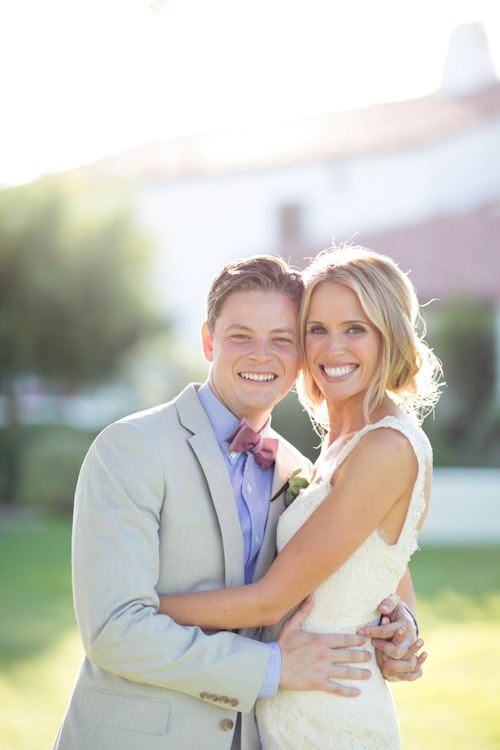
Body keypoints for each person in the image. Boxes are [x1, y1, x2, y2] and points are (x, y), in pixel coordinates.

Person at [53, 255, 423, 750]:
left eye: (282, 339)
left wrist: (400, 626)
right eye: (241, 336)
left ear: (298, 356)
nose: (261, 355)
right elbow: (113, 632)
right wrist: (272, 668)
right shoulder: (132, 449)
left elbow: (375, 561)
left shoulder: (297, 470)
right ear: (209, 340)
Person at [155, 247, 441, 749]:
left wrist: (140, 608)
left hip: (332, 716)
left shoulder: (385, 447)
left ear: (387, 334)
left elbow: (271, 601)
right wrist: (404, 623)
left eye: (356, 328)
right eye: (317, 329)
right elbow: (386, 566)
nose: (333, 349)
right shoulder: (340, 446)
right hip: (292, 702)